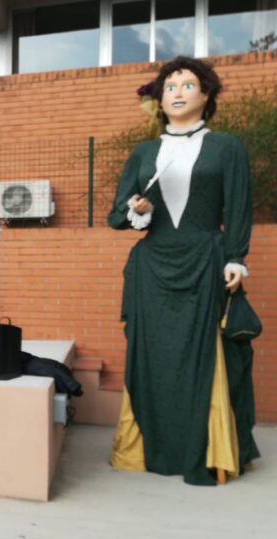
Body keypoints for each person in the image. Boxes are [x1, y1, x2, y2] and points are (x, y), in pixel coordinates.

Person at [108, 56, 259, 485]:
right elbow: (116, 216)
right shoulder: (144, 152)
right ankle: (146, 449)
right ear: (159, 100)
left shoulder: (225, 146)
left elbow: (239, 206)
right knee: (152, 357)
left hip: (204, 263)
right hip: (152, 269)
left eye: (188, 85)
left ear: (206, 95)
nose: (177, 93)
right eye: (170, 87)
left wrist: (236, 257)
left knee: (205, 357)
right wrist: (138, 210)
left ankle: (207, 451)